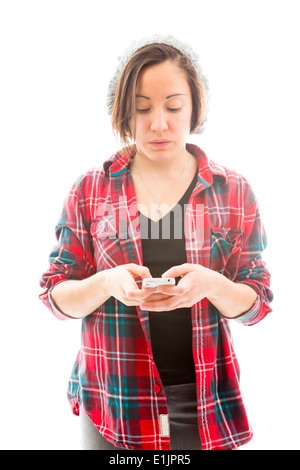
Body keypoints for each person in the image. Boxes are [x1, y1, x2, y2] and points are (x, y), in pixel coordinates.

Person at [39, 35, 273, 451]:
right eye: (142, 109)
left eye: (173, 106)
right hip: (114, 402)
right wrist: (107, 284)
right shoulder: (91, 189)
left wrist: (213, 286)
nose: (158, 124)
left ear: (195, 108)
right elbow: (57, 298)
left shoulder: (232, 191)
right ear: (124, 113)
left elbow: (257, 305)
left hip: (204, 403)